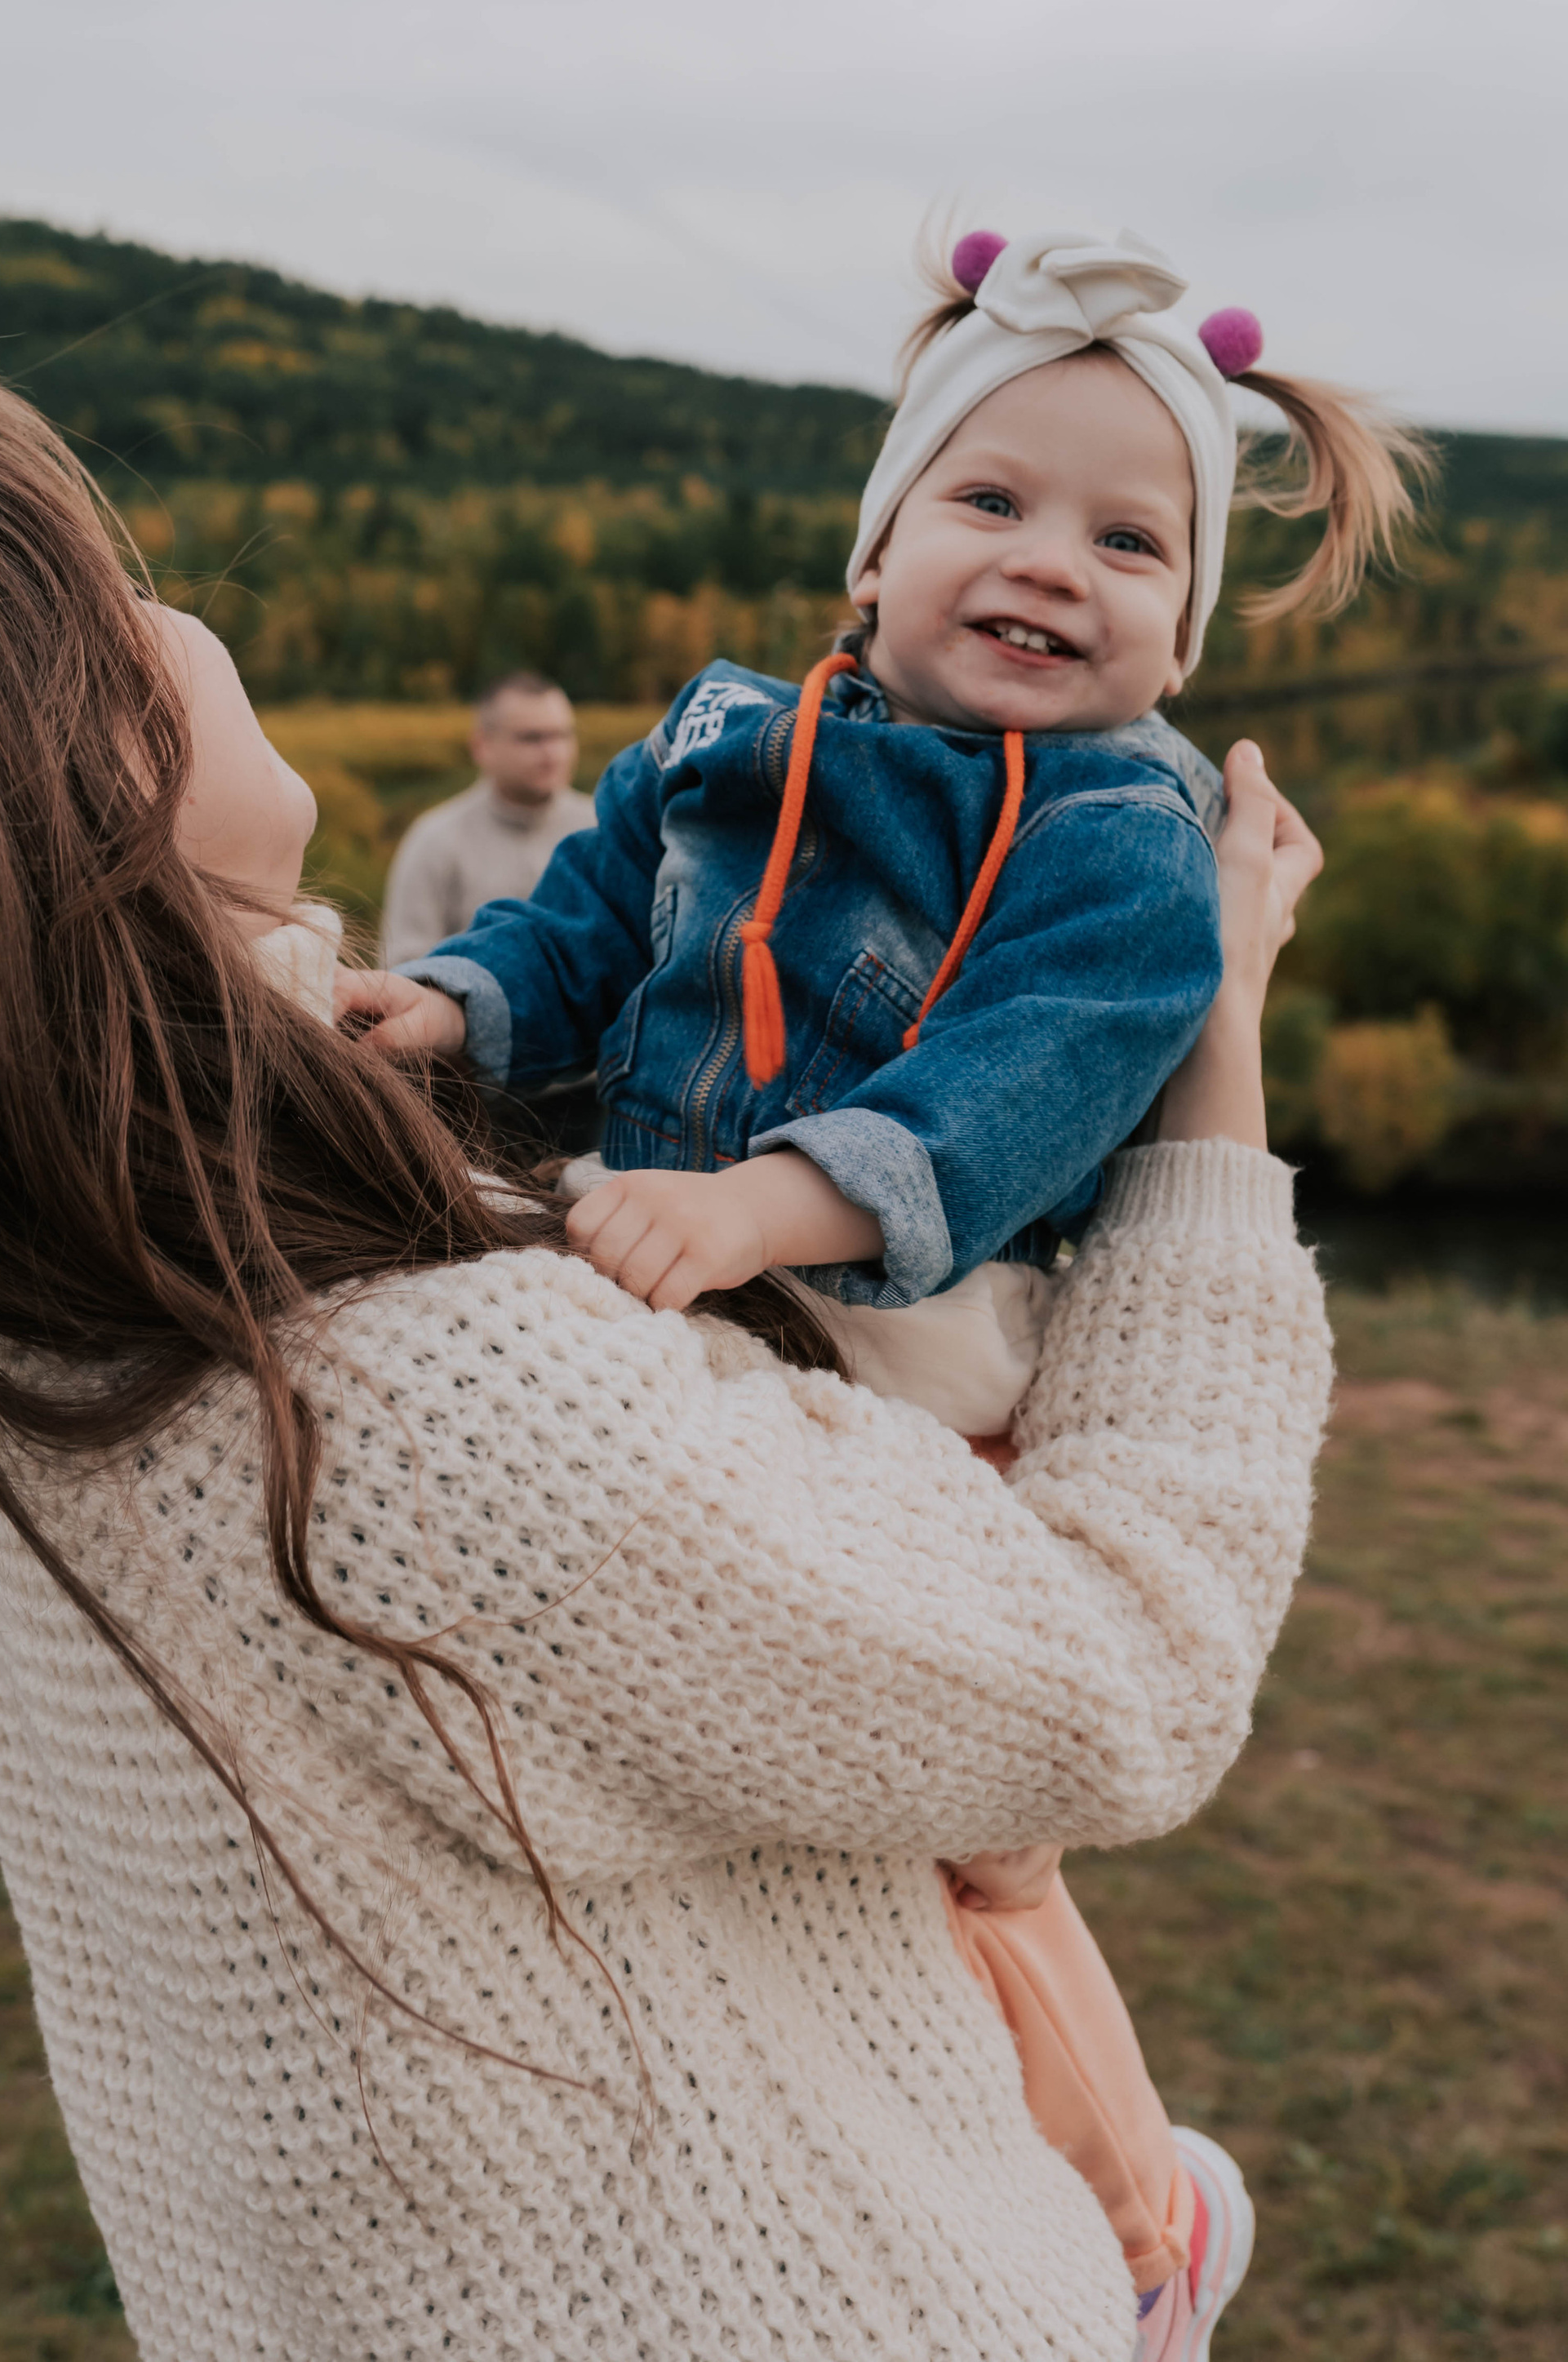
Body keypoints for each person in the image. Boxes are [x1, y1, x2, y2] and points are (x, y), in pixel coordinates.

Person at [0, 367, 1331, 2362]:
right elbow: (1133, 1661)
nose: (174, 604)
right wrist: (1210, 1063)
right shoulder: (420, 1395)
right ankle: (1144, 2230)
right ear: (60, 766)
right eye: (116, 596)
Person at [340, 226, 1421, 2343]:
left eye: (1127, 541)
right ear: (874, 548)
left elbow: (1024, 1077)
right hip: (673, 1279)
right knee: (736, 1808)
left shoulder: (1122, 832)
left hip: (904, 1337)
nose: (1049, 564)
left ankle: (1142, 2236)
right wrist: (452, 1008)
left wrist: (768, 1203)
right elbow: (585, 926)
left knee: (959, 1856)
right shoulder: (720, 739)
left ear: (1180, 633)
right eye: (989, 499)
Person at [379, 669, 596, 966]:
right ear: (482, 746)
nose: (553, 753)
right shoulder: (435, 839)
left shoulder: (600, 829)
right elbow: (402, 964)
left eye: (563, 735)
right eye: (531, 738)